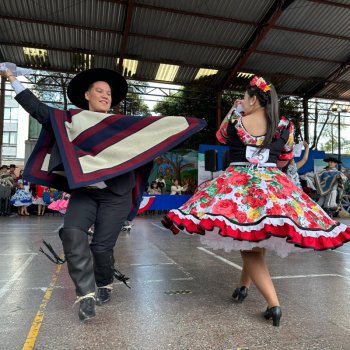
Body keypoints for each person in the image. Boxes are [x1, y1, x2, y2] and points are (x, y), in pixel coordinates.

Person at [1, 65, 205, 322]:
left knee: (100, 247)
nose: (105, 95)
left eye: (108, 92)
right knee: (72, 234)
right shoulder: (72, 121)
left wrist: (186, 126)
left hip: (116, 194)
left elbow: (157, 132)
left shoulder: (123, 127)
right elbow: (39, 110)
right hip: (85, 193)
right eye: (99, 90)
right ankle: (86, 295)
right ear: (87, 95)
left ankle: (105, 281)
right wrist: (12, 80)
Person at [162, 76, 350, 327]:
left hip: (237, 184)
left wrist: (236, 109)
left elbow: (220, 137)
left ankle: (274, 305)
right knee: (254, 237)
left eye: (244, 97)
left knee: (248, 242)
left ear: (252, 99)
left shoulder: (235, 120)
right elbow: (284, 157)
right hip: (272, 184)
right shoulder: (284, 125)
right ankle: (242, 286)